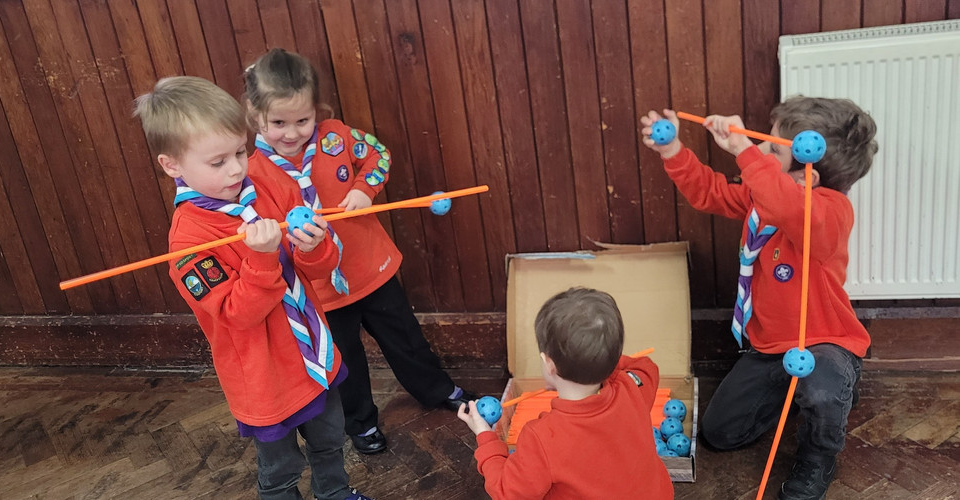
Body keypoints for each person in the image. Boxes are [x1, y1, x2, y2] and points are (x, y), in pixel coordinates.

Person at [135, 76, 371, 500]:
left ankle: (335, 493)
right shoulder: (187, 243)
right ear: (172, 165)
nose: (236, 169)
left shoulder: (268, 186)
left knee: (331, 438)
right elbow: (238, 314)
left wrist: (314, 245)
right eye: (218, 161)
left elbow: (319, 269)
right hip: (264, 377)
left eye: (240, 152)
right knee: (280, 469)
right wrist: (262, 258)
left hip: (314, 357)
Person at [640, 96, 878, 500]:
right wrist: (673, 150)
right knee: (720, 434)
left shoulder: (832, 212)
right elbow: (711, 192)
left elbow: (791, 209)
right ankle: (797, 392)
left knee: (822, 389)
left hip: (824, 341)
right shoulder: (763, 199)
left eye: (773, 148)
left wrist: (744, 151)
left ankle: (819, 452)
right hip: (769, 347)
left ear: (807, 175)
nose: (762, 150)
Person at [243, 48, 477, 455]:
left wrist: (364, 188)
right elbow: (258, 231)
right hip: (320, 289)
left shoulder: (336, 136)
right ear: (254, 113)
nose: (292, 133)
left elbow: (379, 156)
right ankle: (361, 423)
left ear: (316, 110)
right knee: (345, 362)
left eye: (302, 120)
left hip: (372, 269)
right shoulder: (252, 174)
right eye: (278, 123)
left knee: (406, 339)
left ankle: (438, 390)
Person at [458, 287, 674, 499]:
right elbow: (645, 366)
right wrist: (601, 362)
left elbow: (508, 492)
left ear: (549, 364)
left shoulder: (541, 437)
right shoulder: (632, 387)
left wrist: (485, 437)